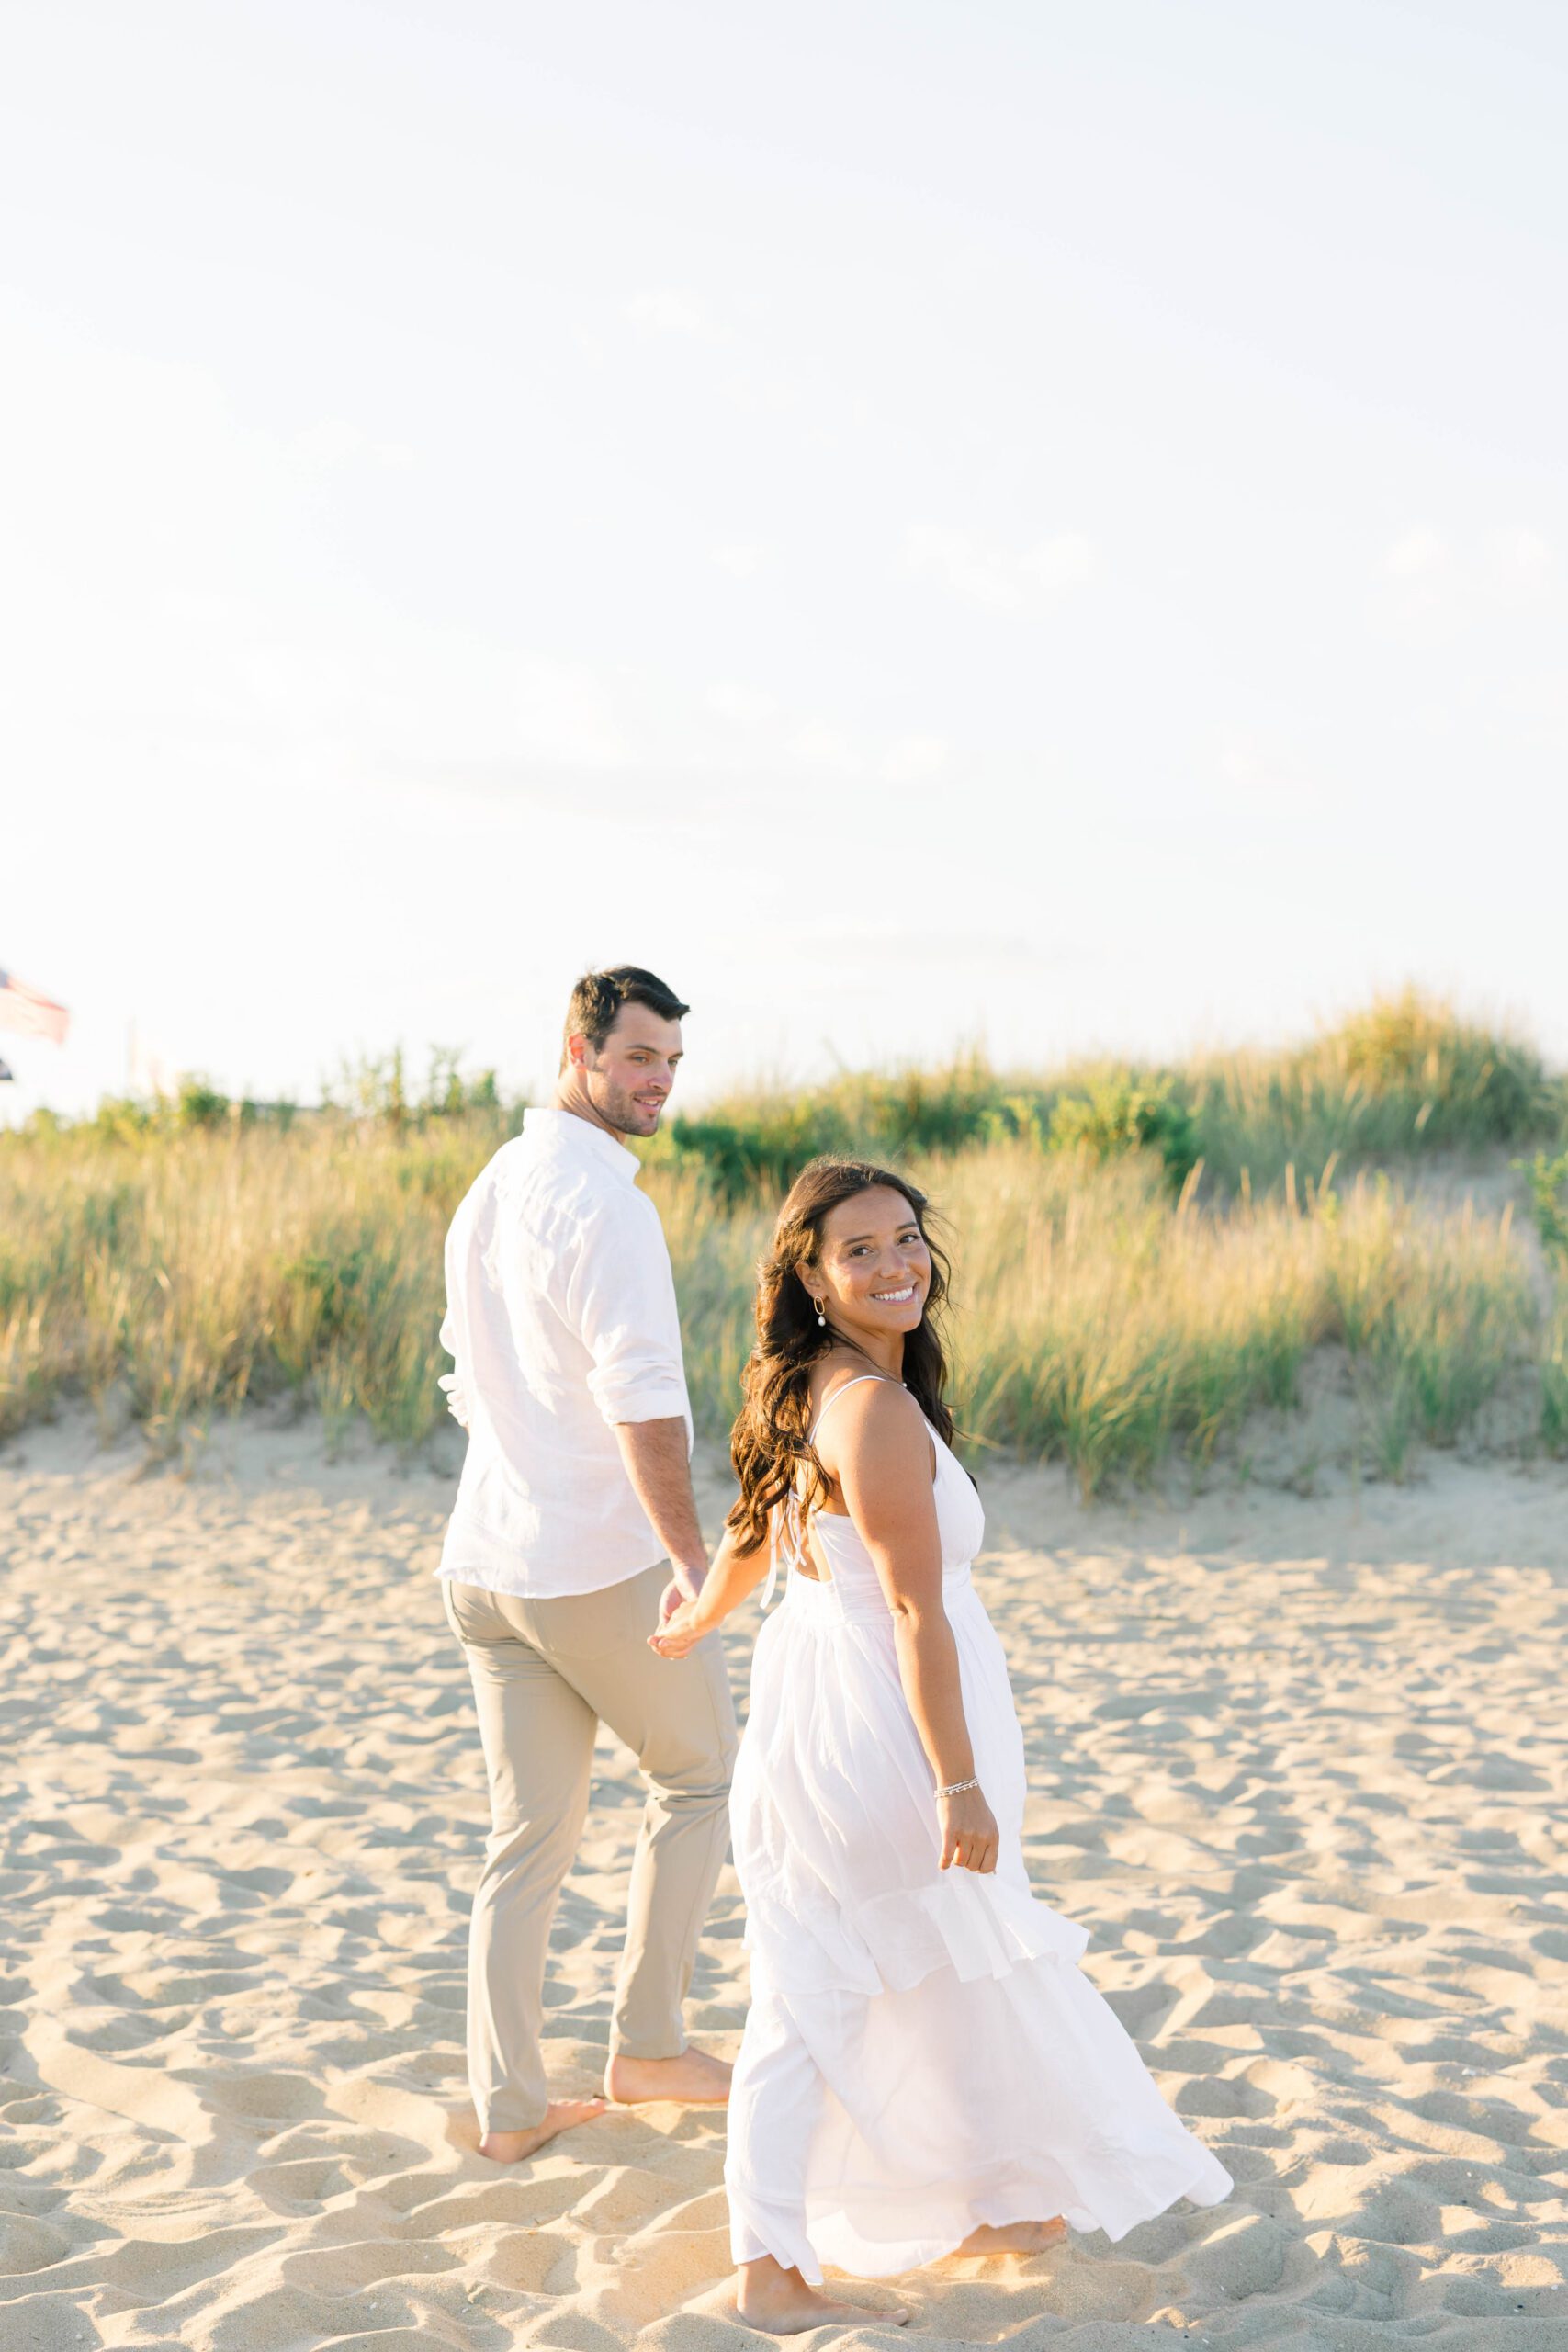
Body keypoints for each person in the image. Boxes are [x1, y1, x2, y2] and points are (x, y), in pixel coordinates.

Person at [651, 1156, 1233, 2334]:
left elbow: (762, 1520)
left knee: (917, 1959)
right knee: (822, 1982)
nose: (894, 1263)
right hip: (883, 1725)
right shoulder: (867, 1407)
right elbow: (913, 1609)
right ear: (810, 1274)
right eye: (858, 1249)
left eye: (906, 1237)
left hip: (839, 1702)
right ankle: (766, 2265)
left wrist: (703, 1613)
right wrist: (958, 1781)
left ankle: (974, 2199)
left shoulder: (823, 1382)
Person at [438, 965, 737, 2163]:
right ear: (578, 1050)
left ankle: (510, 2112)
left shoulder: (497, 1181)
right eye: (635, 1058)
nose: (655, 1080)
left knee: (528, 1842)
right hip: (582, 1566)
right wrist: (689, 1558)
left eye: (669, 1061)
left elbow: (464, 1369)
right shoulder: (604, 1203)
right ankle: (649, 2042)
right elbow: (643, 1402)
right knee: (700, 1775)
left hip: (485, 1564)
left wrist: (527, 1464)